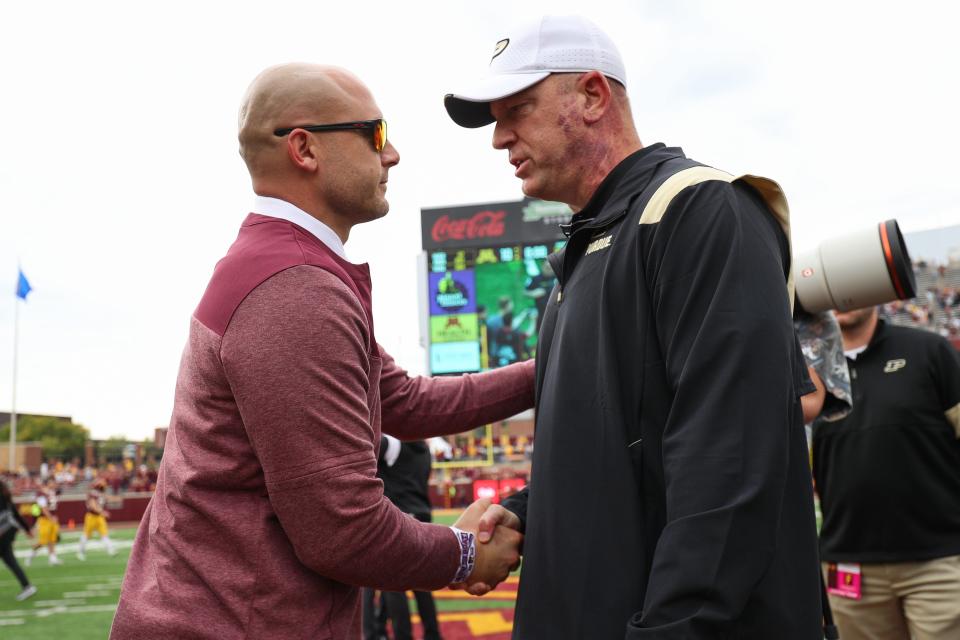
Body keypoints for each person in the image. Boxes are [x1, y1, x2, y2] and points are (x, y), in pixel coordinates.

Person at [110, 63, 530, 640]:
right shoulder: (294, 287)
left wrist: (551, 365)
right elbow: (344, 529)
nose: (393, 155)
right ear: (304, 148)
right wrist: (463, 555)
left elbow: (406, 403)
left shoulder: (290, 268)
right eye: (375, 134)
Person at [444, 15, 822, 638]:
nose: (499, 137)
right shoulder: (585, 251)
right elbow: (617, 459)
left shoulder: (699, 209)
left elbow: (729, 467)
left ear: (593, 95)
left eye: (519, 108)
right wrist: (522, 515)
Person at [812, 305, 960, 640]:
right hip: (848, 565)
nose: (845, 296)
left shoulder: (928, 352)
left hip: (939, 563)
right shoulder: (810, 375)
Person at [362, 435, 443, 640]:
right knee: (422, 586)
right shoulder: (424, 450)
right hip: (423, 519)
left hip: (400, 521)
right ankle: (432, 634)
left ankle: (399, 635)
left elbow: (364, 441)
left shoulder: (395, 445)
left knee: (393, 586)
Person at [0, 479, 37, 601]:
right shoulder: (5, 496)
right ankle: (27, 586)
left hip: (3, 534)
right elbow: (16, 515)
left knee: (11, 561)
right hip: (8, 533)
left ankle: (27, 586)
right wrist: (28, 529)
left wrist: (28, 530)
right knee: (11, 561)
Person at [26, 477, 62, 566]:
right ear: (47, 483)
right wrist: (51, 518)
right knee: (42, 542)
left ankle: (52, 559)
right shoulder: (41, 494)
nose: (54, 484)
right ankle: (30, 556)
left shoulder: (52, 492)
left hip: (52, 519)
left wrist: (54, 517)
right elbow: (44, 509)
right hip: (45, 520)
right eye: (52, 482)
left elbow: (53, 506)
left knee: (52, 540)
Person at [77, 477, 116, 560]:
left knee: (104, 533)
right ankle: (80, 552)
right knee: (86, 535)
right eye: (102, 484)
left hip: (99, 517)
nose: (104, 486)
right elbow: (93, 505)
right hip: (91, 516)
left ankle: (110, 549)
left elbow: (106, 498)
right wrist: (103, 512)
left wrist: (117, 498)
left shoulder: (99, 493)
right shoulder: (93, 493)